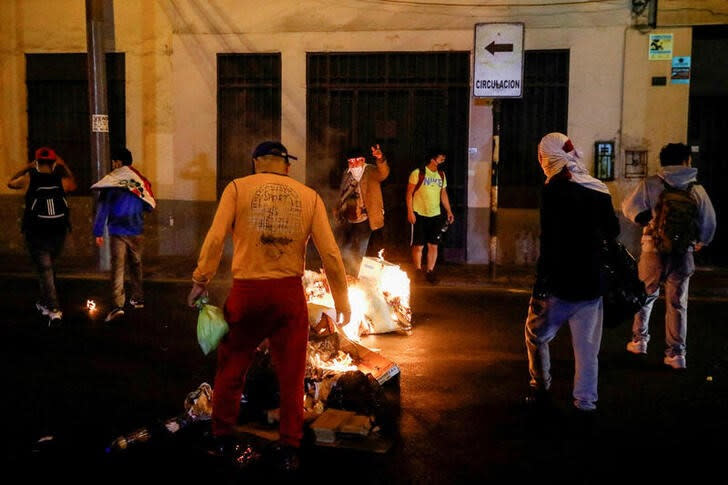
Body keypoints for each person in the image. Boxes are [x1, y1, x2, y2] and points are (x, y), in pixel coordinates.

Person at [187, 141, 350, 471]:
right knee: (291, 375)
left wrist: (200, 279)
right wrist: (341, 299)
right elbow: (331, 254)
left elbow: (216, 238)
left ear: (255, 163)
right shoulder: (309, 197)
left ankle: (221, 437)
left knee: (231, 367)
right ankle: (290, 446)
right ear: (286, 165)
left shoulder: (237, 188)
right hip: (289, 296)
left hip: (247, 293)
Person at [524, 133, 619, 412]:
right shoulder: (599, 188)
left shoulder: (553, 189)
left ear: (549, 157)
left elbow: (550, 241)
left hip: (558, 283)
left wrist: (541, 283)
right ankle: (585, 403)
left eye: (541, 157)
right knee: (587, 351)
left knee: (536, 334)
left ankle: (540, 385)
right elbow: (612, 231)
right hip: (591, 281)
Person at [622, 142, 716, 369]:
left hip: (652, 250)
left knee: (645, 295)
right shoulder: (697, 190)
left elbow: (627, 207)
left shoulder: (652, 184)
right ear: (686, 161)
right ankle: (676, 355)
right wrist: (701, 241)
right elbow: (709, 223)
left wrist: (643, 219)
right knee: (677, 303)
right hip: (683, 253)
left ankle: (639, 341)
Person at [7, 147, 76, 327]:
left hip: (36, 231)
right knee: (48, 268)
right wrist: (64, 166)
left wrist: (26, 167)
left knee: (44, 269)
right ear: (54, 163)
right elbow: (73, 185)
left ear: (36, 162)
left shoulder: (30, 178)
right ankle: (46, 302)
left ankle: (54, 309)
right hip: (58, 231)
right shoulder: (60, 180)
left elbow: (10, 182)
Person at [91, 147, 156, 322]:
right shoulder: (138, 181)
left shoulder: (111, 182)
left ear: (119, 162)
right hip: (136, 229)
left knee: (118, 268)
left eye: (114, 161)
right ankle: (137, 298)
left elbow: (103, 208)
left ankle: (117, 306)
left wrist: (98, 231)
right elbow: (148, 205)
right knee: (136, 264)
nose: (112, 164)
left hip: (117, 231)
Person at [334, 144, 390, 276]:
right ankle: (346, 273)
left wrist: (380, 158)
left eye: (357, 161)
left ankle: (356, 274)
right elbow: (342, 193)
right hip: (349, 217)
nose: (354, 164)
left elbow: (383, 173)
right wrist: (338, 209)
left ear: (363, 160)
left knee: (361, 248)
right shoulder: (347, 174)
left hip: (366, 217)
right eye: (351, 162)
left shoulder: (371, 171)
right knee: (345, 248)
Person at [405, 148, 454, 284]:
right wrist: (410, 211)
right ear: (433, 159)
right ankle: (418, 271)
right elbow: (409, 193)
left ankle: (430, 271)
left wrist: (449, 211)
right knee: (418, 245)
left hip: (435, 214)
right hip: (419, 213)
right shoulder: (418, 173)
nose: (443, 159)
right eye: (440, 157)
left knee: (433, 245)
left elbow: (443, 194)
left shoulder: (441, 175)